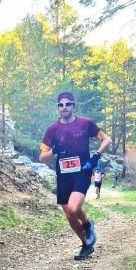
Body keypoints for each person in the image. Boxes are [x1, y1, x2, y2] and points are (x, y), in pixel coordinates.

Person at [39, 92, 111, 261]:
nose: (64, 107)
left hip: (82, 172)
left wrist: (96, 156)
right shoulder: (52, 129)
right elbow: (41, 157)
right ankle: (86, 244)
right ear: (58, 108)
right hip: (63, 175)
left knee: (73, 208)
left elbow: (106, 140)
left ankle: (87, 224)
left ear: (73, 106)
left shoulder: (85, 124)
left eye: (68, 104)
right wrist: (54, 150)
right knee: (69, 215)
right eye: (61, 105)